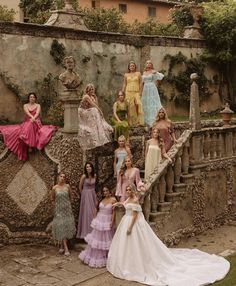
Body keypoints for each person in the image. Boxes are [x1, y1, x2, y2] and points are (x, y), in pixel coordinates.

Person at [107, 184, 230, 286]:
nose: (128, 191)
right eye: (127, 190)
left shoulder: (135, 199)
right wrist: (118, 204)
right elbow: (125, 204)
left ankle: (138, 265)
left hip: (132, 224)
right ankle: (127, 263)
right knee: (127, 246)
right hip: (126, 220)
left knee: (138, 244)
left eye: (129, 189)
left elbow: (134, 215)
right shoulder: (128, 199)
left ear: (133, 190)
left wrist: (129, 228)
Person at [0, 92, 57, 161]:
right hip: (28, 121)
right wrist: (32, 118)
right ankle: (29, 144)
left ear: (35, 98)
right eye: (31, 97)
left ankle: (27, 140)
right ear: (28, 98)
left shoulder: (38, 105)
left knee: (31, 123)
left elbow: (37, 113)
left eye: (33, 97)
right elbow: (27, 112)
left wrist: (34, 118)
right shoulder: (25, 105)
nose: (32, 98)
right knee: (30, 124)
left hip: (36, 121)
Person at [79, 186, 117, 268]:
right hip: (100, 220)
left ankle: (106, 258)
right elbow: (96, 208)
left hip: (107, 220)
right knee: (97, 240)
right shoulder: (101, 200)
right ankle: (94, 257)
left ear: (110, 192)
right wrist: (95, 217)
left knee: (106, 240)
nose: (105, 192)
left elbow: (114, 212)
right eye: (104, 191)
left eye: (107, 191)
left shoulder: (113, 200)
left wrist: (112, 222)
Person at [78, 84, 113, 151]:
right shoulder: (86, 96)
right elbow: (93, 105)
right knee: (95, 110)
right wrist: (100, 111)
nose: (91, 91)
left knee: (95, 110)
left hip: (89, 110)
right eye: (90, 89)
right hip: (83, 111)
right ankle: (96, 126)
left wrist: (96, 98)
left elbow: (96, 104)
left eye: (92, 89)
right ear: (87, 90)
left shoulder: (93, 96)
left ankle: (100, 127)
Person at [51, 172, 76, 256]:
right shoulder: (54, 188)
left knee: (65, 227)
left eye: (64, 177)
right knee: (61, 226)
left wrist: (68, 206)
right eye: (61, 176)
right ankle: (66, 248)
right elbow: (52, 199)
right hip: (59, 210)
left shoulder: (67, 186)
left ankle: (61, 245)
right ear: (58, 177)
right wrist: (56, 207)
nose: (62, 178)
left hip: (67, 209)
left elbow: (71, 197)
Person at [77, 162, 97, 239]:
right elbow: (80, 186)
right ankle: (86, 233)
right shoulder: (84, 176)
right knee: (87, 213)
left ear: (92, 168)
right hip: (85, 195)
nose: (88, 168)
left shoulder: (95, 175)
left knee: (94, 213)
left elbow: (94, 186)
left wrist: (94, 196)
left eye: (89, 167)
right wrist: (83, 195)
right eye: (87, 167)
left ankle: (94, 233)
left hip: (92, 194)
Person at [141, 60, 164, 127]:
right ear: (146, 64)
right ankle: (147, 121)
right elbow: (142, 83)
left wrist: (156, 73)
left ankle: (155, 119)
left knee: (153, 103)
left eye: (150, 63)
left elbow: (160, 79)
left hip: (152, 88)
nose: (148, 64)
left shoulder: (153, 71)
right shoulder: (144, 72)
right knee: (146, 103)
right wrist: (141, 92)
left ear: (151, 65)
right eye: (147, 63)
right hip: (145, 89)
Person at [122, 61, 144, 127]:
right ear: (129, 67)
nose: (132, 67)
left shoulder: (138, 73)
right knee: (130, 107)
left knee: (138, 104)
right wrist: (122, 92)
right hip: (128, 92)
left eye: (133, 66)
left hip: (136, 92)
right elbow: (124, 84)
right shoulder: (126, 75)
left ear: (135, 67)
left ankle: (139, 121)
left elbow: (140, 83)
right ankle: (131, 123)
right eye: (130, 66)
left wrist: (140, 92)